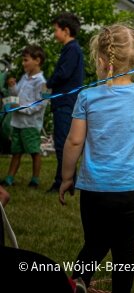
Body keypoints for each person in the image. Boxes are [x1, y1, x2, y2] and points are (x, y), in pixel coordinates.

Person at [59, 24, 134, 293]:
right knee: (125, 251)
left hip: (95, 189)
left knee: (95, 243)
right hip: (131, 188)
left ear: (101, 61)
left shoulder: (87, 96)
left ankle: (78, 282)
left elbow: (74, 141)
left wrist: (67, 177)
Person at [46, 12, 85, 194]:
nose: (54, 34)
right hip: (64, 102)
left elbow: (63, 73)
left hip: (65, 102)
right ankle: (66, 179)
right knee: (61, 142)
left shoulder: (72, 49)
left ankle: (64, 181)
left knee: (63, 142)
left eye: (56, 30)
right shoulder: (71, 49)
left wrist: (49, 82)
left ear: (66, 30)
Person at [2, 46, 47, 188]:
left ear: (37, 61)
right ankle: (9, 178)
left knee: (34, 151)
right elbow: (17, 95)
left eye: (26, 60)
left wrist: (21, 109)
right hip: (18, 123)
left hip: (30, 124)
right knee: (16, 151)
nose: (23, 63)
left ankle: (35, 179)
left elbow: (40, 104)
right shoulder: (25, 77)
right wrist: (12, 87)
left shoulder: (41, 82)